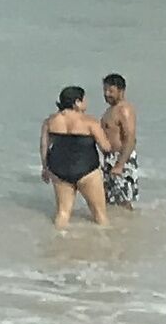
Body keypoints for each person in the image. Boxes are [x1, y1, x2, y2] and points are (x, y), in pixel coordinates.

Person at [41, 85, 111, 228]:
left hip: (59, 170)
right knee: (99, 214)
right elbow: (105, 147)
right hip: (87, 170)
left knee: (63, 213)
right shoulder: (90, 122)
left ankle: (58, 242)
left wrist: (45, 168)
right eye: (84, 100)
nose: (86, 103)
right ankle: (107, 245)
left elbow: (44, 147)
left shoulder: (50, 121)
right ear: (77, 102)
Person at [100, 73, 141, 210]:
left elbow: (130, 139)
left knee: (124, 201)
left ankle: (130, 227)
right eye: (105, 90)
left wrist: (120, 164)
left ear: (121, 91)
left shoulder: (124, 109)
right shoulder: (110, 110)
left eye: (111, 91)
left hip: (122, 158)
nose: (106, 94)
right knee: (110, 200)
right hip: (110, 159)